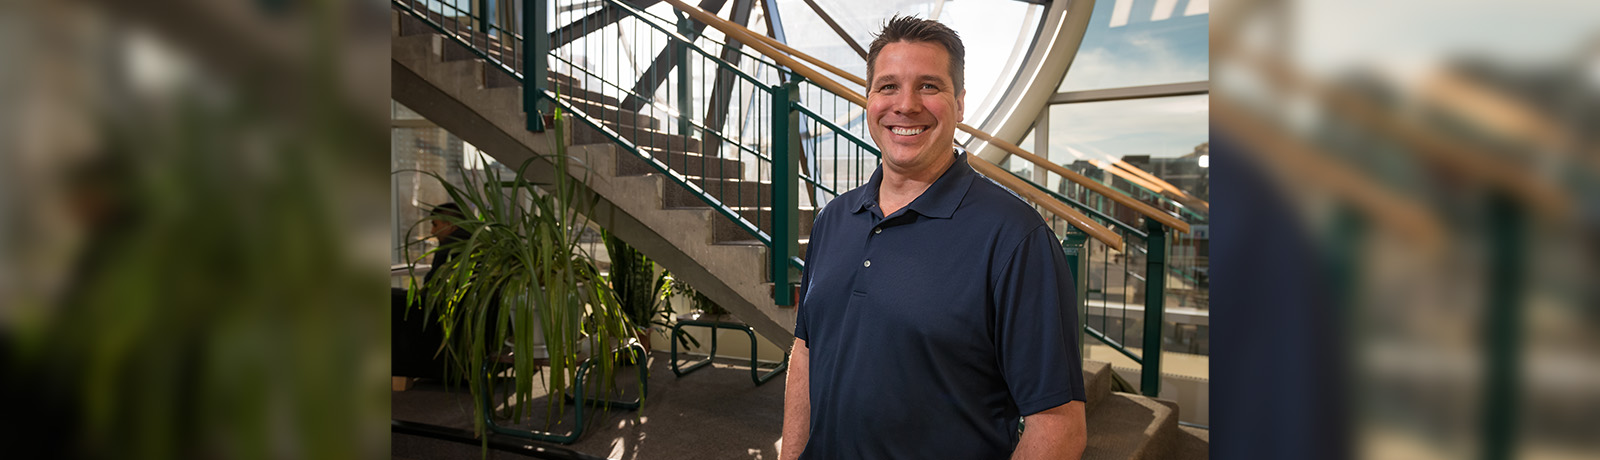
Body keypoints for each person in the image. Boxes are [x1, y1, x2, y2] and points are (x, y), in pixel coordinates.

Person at [780, 16, 1087, 460]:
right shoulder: (833, 219)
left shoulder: (1015, 238)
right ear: (869, 99)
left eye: (928, 86)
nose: (905, 105)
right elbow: (806, 352)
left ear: (959, 103)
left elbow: (1058, 426)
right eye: (887, 86)